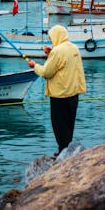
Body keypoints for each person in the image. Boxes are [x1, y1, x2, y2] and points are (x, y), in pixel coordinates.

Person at [28, 24, 86, 158]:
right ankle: (67, 151)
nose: (51, 39)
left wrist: (34, 65)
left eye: (51, 37)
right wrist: (50, 54)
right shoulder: (73, 47)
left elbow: (47, 72)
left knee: (59, 126)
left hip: (59, 95)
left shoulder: (57, 51)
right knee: (69, 125)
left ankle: (62, 153)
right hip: (73, 94)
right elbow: (64, 63)